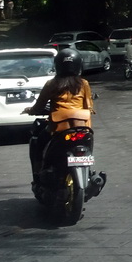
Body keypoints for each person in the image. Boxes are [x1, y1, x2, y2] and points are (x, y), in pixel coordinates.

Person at [24, 48, 93, 183]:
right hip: (82, 126)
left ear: (57, 65)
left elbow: (40, 105)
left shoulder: (52, 83)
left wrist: (30, 110)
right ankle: (88, 170)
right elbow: (88, 105)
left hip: (57, 127)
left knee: (39, 142)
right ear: (78, 65)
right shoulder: (83, 83)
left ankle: (38, 173)